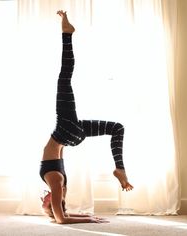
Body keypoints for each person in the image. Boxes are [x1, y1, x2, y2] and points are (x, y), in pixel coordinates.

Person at [40, 10, 133, 224]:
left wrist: (86, 215)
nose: (44, 200)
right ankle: (67, 34)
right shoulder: (55, 181)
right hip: (65, 130)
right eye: (46, 204)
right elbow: (62, 219)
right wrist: (87, 221)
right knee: (64, 78)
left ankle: (120, 168)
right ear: (55, 201)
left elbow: (61, 215)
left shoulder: (57, 184)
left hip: (72, 133)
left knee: (117, 128)